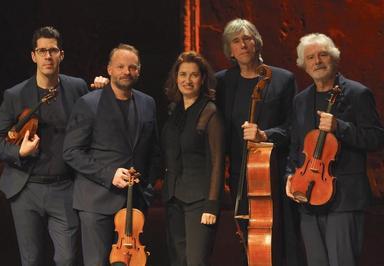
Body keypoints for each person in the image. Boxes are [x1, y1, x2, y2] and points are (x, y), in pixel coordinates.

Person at [0, 26, 88, 265]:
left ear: (61, 54)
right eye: (42, 51)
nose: (48, 56)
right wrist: (18, 152)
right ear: (34, 56)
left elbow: (93, 120)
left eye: (53, 50)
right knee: (31, 260)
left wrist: (103, 89)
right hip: (26, 188)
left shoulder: (77, 88)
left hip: (65, 187)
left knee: (68, 258)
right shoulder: (16, 94)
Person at [285, 33, 384, 266]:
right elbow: (296, 146)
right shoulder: (301, 100)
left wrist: (340, 127)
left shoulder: (358, 94)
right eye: (310, 57)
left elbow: (377, 138)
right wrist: (289, 175)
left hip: (345, 199)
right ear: (303, 65)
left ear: (335, 58)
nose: (317, 61)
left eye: (323, 55)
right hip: (308, 197)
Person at [62, 43, 160, 266]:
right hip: (96, 202)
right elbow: (71, 152)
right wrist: (109, 175)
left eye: (132, 67)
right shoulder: (88, 104)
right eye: (121, 66)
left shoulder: (147, 103)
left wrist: (148, 187)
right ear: (109, 69)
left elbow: (154, 151)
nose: (127, 71)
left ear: (139, 70)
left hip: (134, 205)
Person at [215, 18, 300, 265]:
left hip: (273, 169)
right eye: (236, 41)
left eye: (247, 38)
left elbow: (293, 127)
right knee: (246, 236)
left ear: (257, 43)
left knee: (282, 236)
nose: (242, 45)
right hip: (240, 173)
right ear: (229, 50)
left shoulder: (283, 79)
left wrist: (266, 135)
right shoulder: (222, 82)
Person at [161, 51, 225, 266]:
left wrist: (212, 205)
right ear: (175, 78)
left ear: (203, 79)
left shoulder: (210, 112)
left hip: (199, 201)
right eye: (182, 74)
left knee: (196, 262)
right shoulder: (174, 111)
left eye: (194, 75)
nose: (187, 80)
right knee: (178, 261)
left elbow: (217, 162)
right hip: (173, 199)